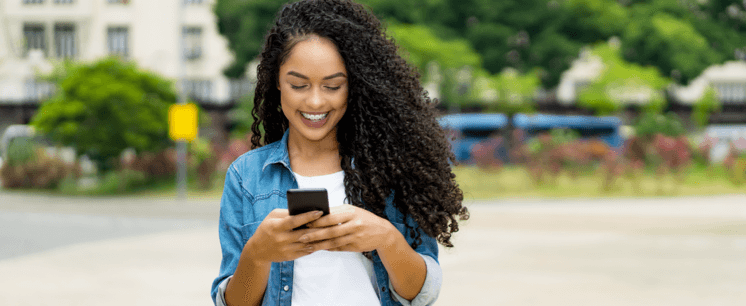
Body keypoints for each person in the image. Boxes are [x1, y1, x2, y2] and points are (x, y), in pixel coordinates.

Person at [211, 0, 469, 305]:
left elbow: (421, 295)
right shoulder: (246, 176)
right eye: (299, 85)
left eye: (333, 86)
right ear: (277, 82)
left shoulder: (392, 168)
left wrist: (386, 238)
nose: (316, 102)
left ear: (355, 86)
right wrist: (257, 253)